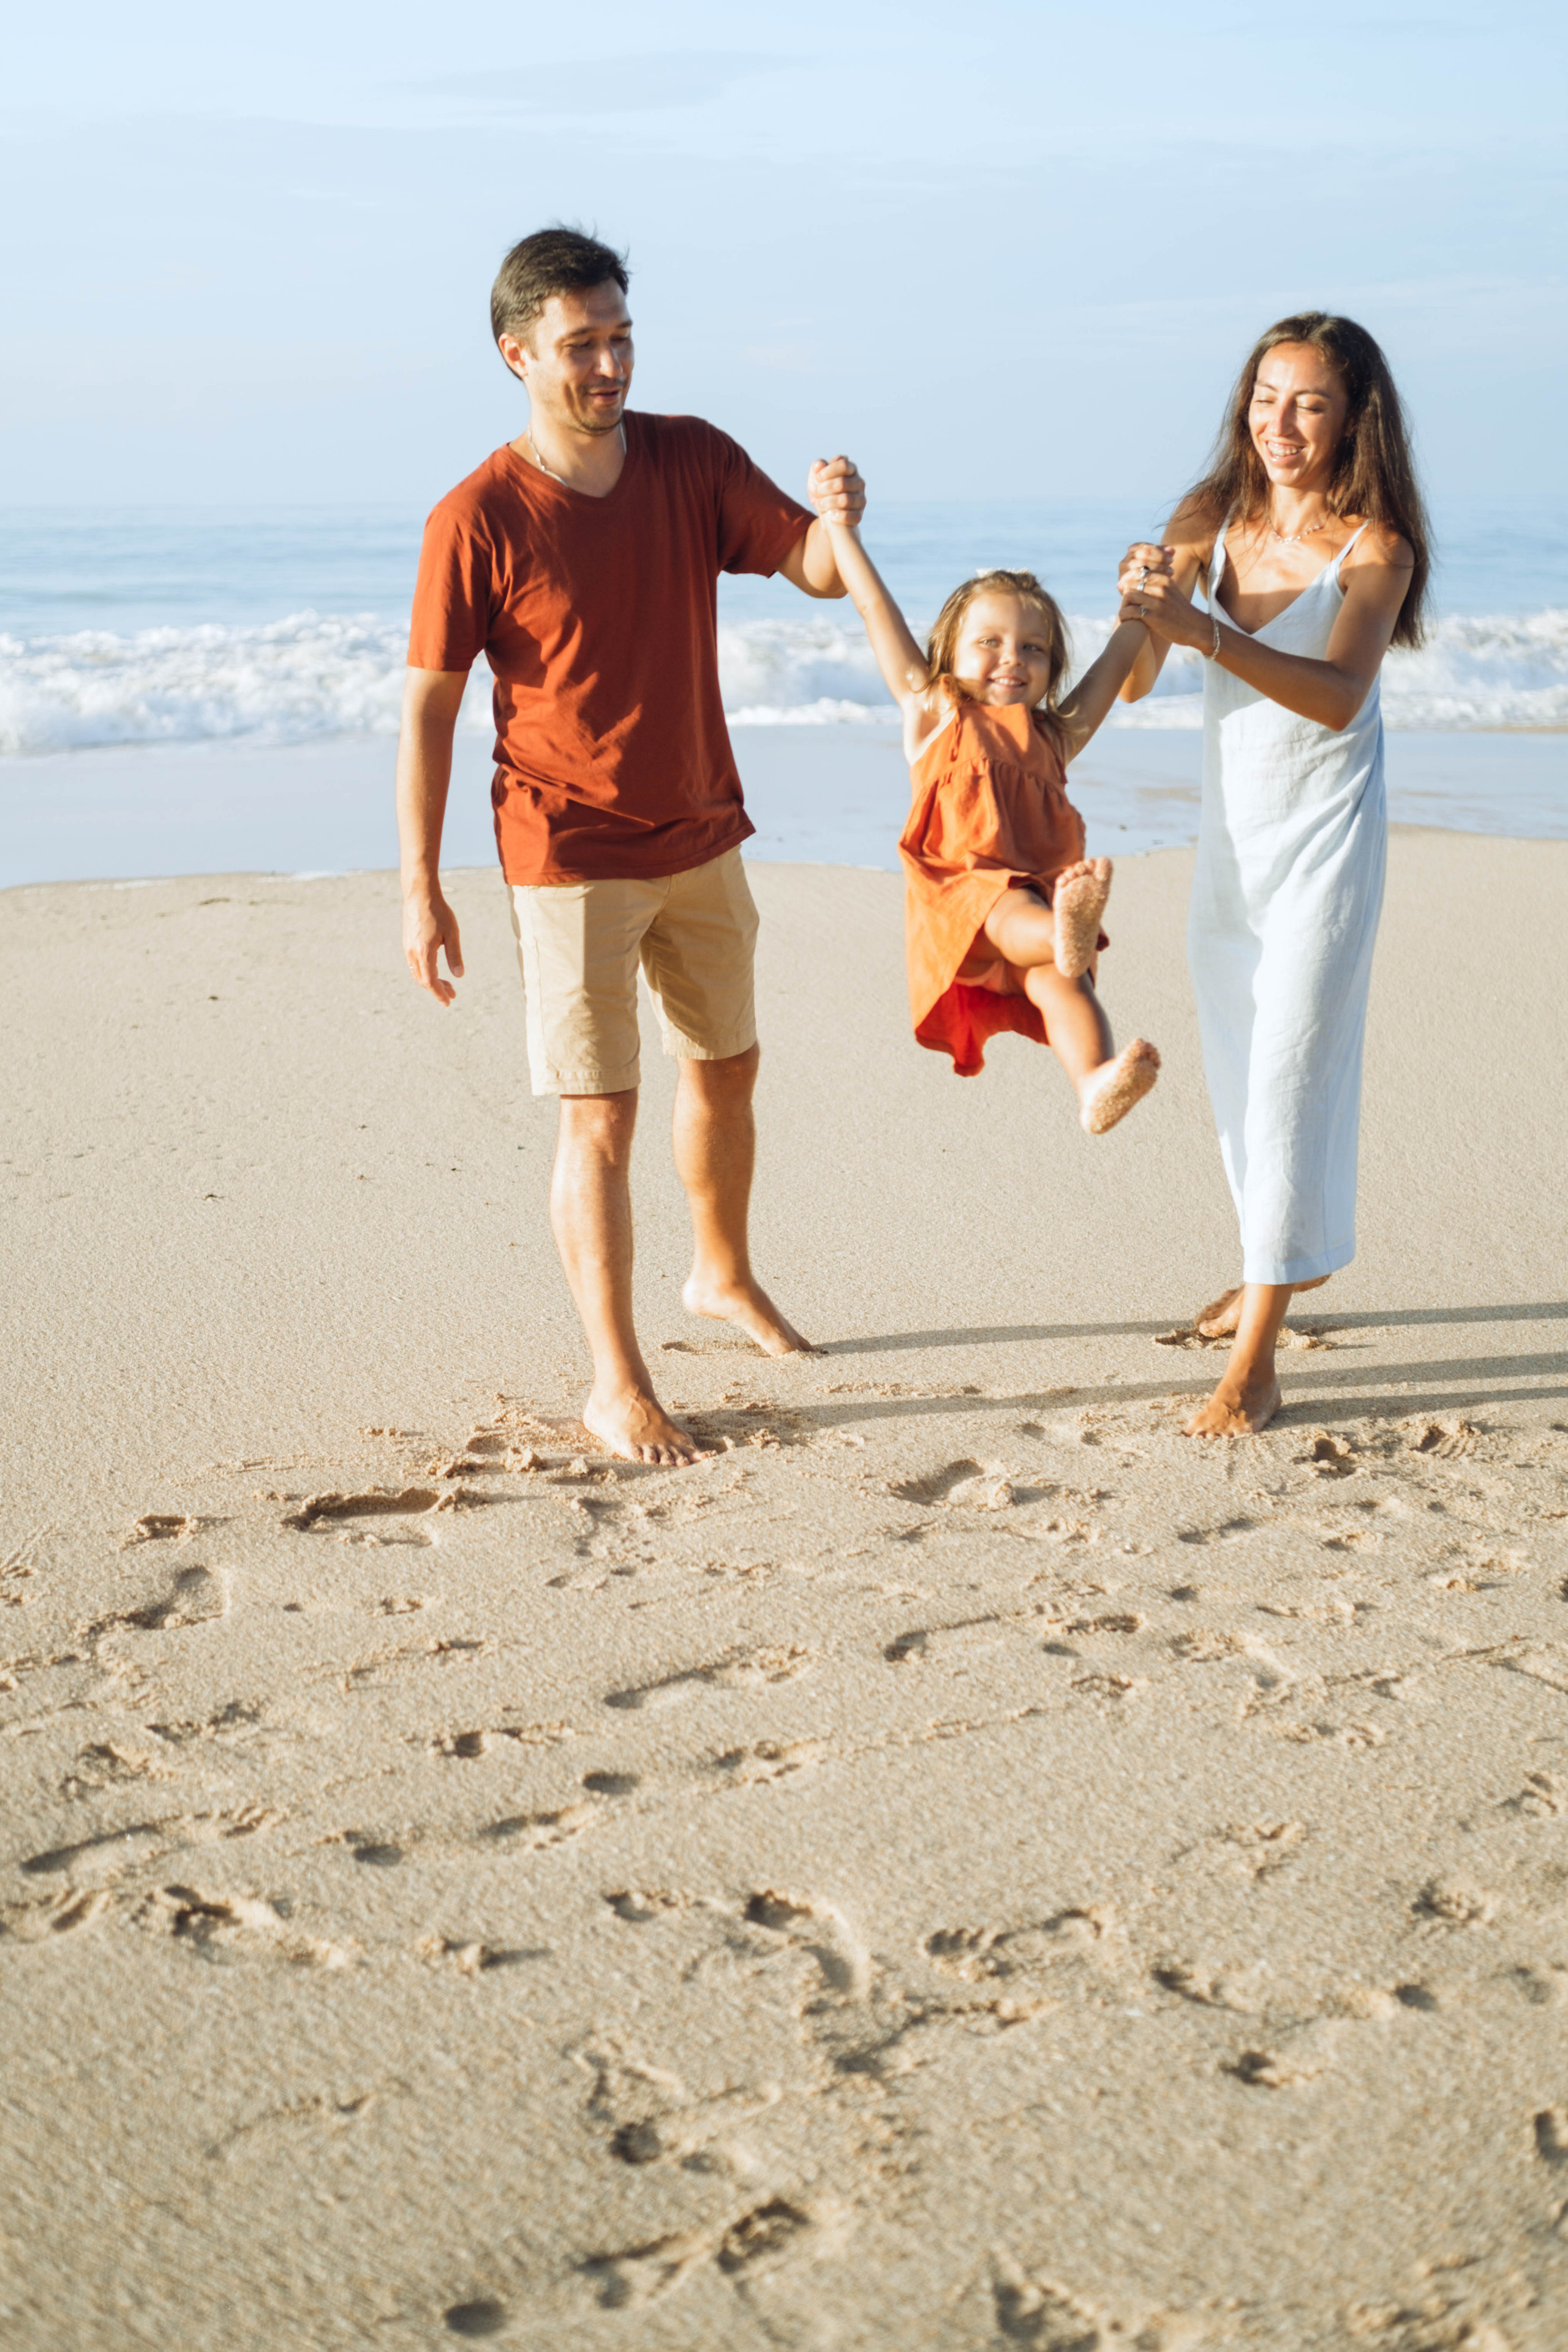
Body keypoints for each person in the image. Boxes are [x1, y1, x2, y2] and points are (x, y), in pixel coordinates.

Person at [396, 226, 864, 1466]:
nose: (606, 367)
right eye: (578, 346)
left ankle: (720, 1275)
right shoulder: (476, 518)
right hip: (567, 852)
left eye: (618, 340)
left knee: (727, 1069)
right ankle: (615, 1380)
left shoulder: (688, 458)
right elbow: (429, 710)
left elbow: (808, 567)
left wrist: (836, 518)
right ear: (517, 355)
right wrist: (420, 885)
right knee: (599, 1119)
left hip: (702, 826)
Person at [1117, 311, 1430, 1437]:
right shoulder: (1211, 518)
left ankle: (1256, 1358)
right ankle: (1274, 1268)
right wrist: (1147, 611)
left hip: (1327, 846)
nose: (1280, 422)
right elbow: (1148, 673)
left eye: (1309, 402)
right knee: (1246, 1080)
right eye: (1265, 396)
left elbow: (1341, 696)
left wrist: (1203, 636)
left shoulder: (1377, 545)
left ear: (1355, 417)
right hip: (1232, 849)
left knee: (1294, 1075)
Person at [810, 500, 1161, 1129]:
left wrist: (1138, 599)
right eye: (990, 643)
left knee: (1063, 983)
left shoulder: (1055, 736)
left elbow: (1114, 664)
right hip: (964, 893)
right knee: (1024, 918)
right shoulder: (936, 708)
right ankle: (1061, 933)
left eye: (1034, 649)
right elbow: (872, 609)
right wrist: (840, 530)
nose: (1012, 658)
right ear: (948, 653)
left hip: (1035, 900)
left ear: (1052, 669)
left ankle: (1093, 1080)